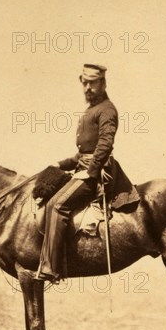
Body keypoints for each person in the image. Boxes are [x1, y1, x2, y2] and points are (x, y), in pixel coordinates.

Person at [36, 64, 139, 282]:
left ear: (103, 83)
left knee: (58, 204)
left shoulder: (107, 109)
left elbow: (105, 144)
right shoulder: (89, 112)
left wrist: (90, 173)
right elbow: (81, 153)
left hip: (100, 173)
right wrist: (59, 164)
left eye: (92, 82)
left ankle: (51, 267)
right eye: (84, 83)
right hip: (84, 167)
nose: (87, 88)